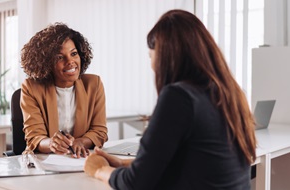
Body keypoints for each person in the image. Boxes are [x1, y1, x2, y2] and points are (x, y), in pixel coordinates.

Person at [84, 9, 256, 189]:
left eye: (151, 56)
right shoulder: (233, 94)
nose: (152, 66)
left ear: (165, 55)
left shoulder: (179, 97)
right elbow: (191, 163)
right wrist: (121, 164)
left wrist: (100, 170)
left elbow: (136, 184)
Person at [20, 22, 108, 158]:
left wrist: (80, 142)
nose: (70, 61)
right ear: (46, 63)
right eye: (60, 57)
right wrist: (51, 144)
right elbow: (35, 137)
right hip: (44, 162)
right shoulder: (31, 88)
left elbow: (99, 131)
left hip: (80, 160)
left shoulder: (93, 84)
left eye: (74, 54)